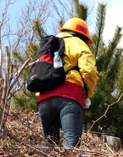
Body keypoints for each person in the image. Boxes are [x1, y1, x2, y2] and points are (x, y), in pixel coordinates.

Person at [37, 18, 98, 148]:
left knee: (48, 144)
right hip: (69, 96)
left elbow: (40, 72)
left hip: (44, 99)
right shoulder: (77, 43)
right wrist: (87, 94)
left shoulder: (49, 45)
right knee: (71, 143)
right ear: (82, 36)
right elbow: (89, 71)